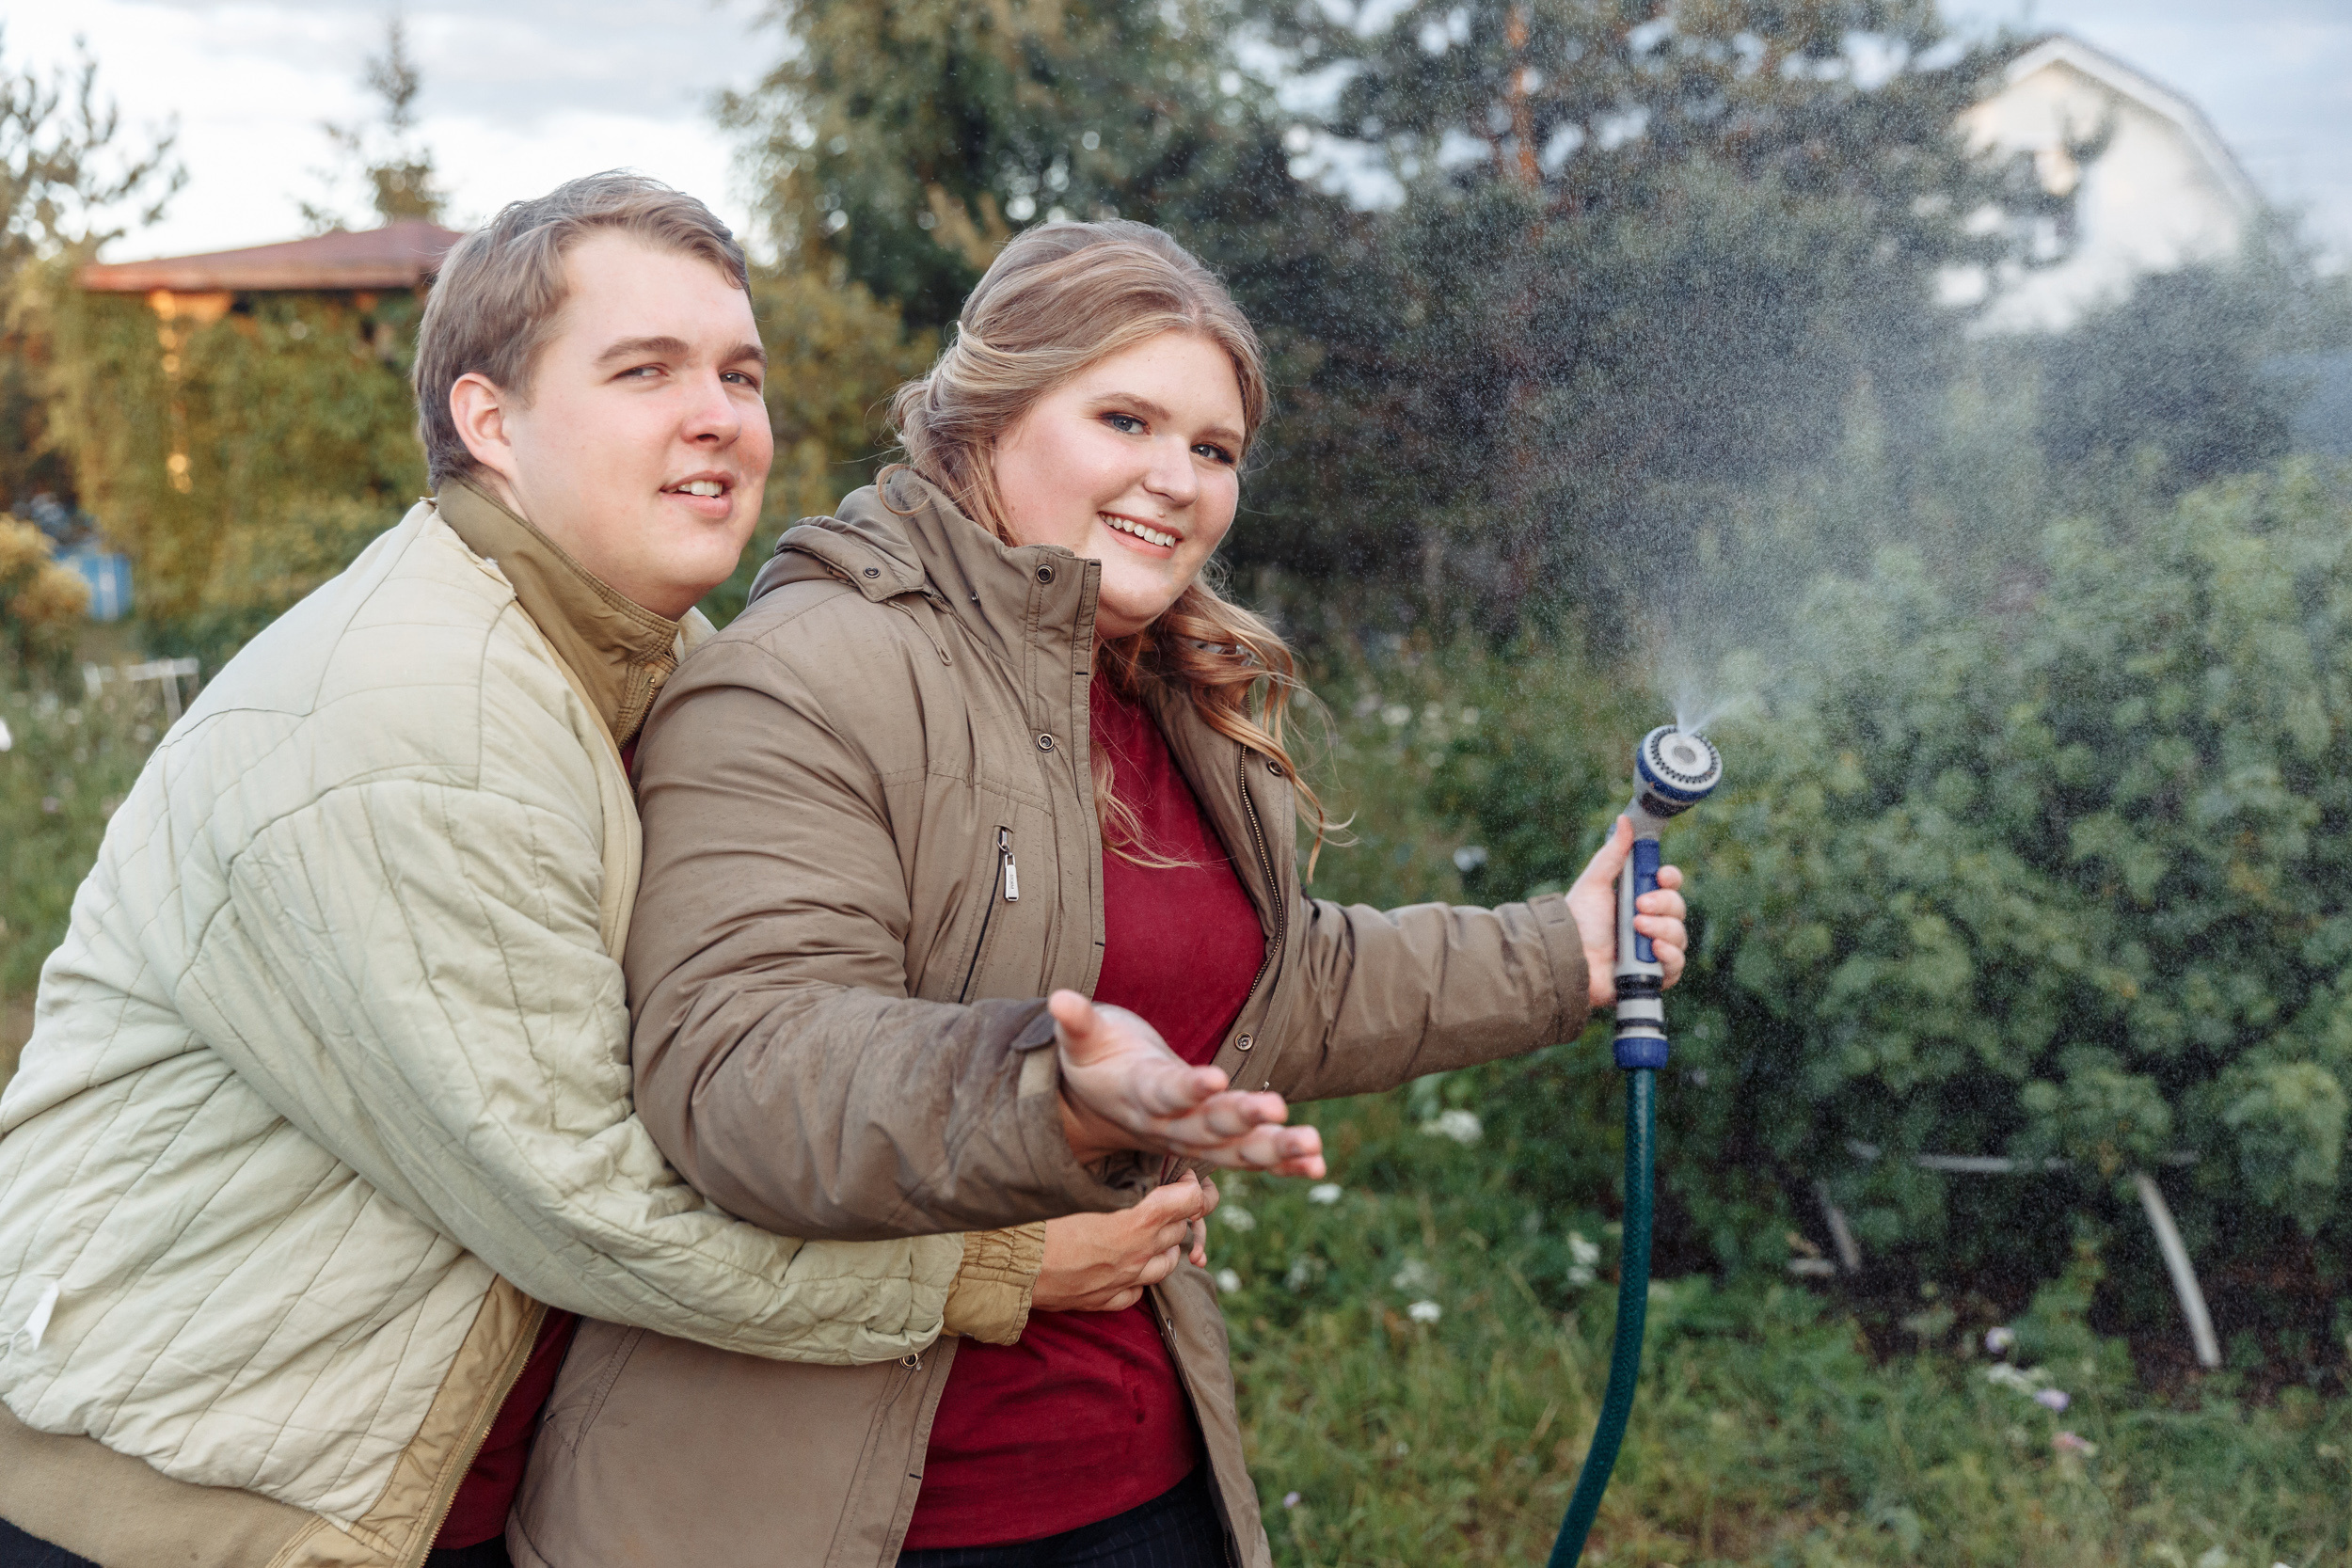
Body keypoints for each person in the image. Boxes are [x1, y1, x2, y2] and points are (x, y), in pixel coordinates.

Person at [0, 181, 1314, 1568]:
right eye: (645, 372)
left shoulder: (646, 666)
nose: (720, 416)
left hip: (424, 1478)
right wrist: (1006, 1265)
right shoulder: (413, 720)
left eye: (739, 374)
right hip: (200, 1502)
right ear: (487, 420)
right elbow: (592, 1200)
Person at [511, 219, 1689, 1568]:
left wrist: (1561, 953)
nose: (1173, 480)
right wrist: (1050, 1096)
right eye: (1124, 417)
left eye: (1214, 449)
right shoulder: (804, 676)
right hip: (833, 1514)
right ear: (986, 416)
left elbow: (1269, 985)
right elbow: (744, 1069)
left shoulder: (1164, 692)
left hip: (1137, 1482)